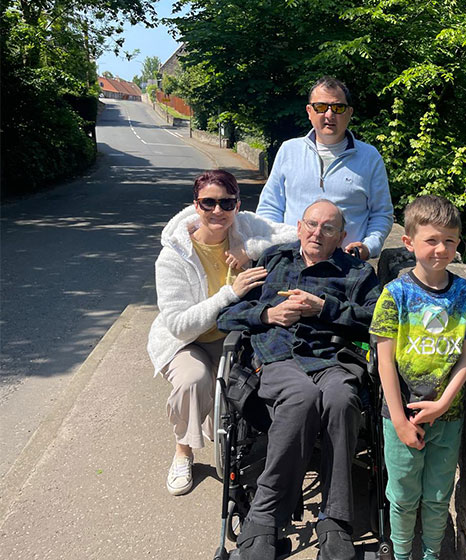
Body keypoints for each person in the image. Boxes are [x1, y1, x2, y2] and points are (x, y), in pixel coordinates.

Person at [217, 199, 381, 560]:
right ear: (299, 225)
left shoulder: (357, 273)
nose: (316, 233)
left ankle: (336, 522)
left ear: (342, 235)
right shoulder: (276, 260)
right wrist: (269, 313)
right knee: (301, 396)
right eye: (310, 224)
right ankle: (263, 520)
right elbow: (228, 316)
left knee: (341, 400)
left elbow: (379, 320)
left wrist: (326, 308)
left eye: (327, 228)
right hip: (279, 357)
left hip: (332, 358)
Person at [147, 169, 297, 496]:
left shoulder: (243, 226)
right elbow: (179, 324)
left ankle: (249, 442)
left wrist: (251, 247)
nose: (218, 211)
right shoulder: (173, 256)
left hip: (236, 336)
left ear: (238, 205)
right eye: (209, 203)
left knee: (255, 381)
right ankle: (183, 453)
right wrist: (229, 293)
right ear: (196, 205)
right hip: (190, 341)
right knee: (193, 380)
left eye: (227, 203)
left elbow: (296, 234)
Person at [369, 195, 466, 560]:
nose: (441, 249)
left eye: (449, 241)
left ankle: (432, 555)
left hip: (448, 415)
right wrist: (400, 419)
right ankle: (401, 555)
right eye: (431, 240)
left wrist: (445, 402)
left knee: (437, 497)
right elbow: (385, 361)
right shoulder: (395, 294)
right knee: (402, 497)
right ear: (409, 242)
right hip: (401, 416)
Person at [256, 76, 393, 261]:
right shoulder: (289, 150)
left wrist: (369, 246)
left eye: (338, 108)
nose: (329, 115)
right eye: (321, 107)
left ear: (349, 112)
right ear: (309, 111)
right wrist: (274, 249)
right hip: (290, 261)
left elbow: (381, 213)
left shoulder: (370, 157)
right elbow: (270, 206)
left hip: (345, 267)